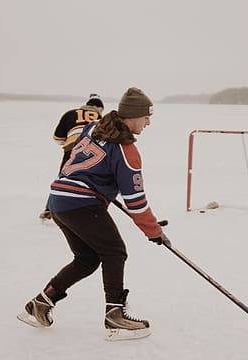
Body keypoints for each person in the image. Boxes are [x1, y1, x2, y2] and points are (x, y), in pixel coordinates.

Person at [18, 87, 170, 341]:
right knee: (115, 251)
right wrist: (155, 232)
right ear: (132, 116)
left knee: (86, 259)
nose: (148, 122)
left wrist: (98, 187)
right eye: (145, 117)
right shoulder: (126, 151)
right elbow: (136, 202)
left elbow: (73, 159)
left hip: (59, 200)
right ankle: (115, 316)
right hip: (81, 203)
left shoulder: (94, 128)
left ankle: (41, 303)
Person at [38, 93, 105, 221]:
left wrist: (70, 143)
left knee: (63, 177)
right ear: (99, 108)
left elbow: (58, 138)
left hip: (72, 148)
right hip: (93, 151)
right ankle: (91, 208)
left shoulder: (70, 114)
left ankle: (49, 209)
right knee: (92, 178)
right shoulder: (101, 118)